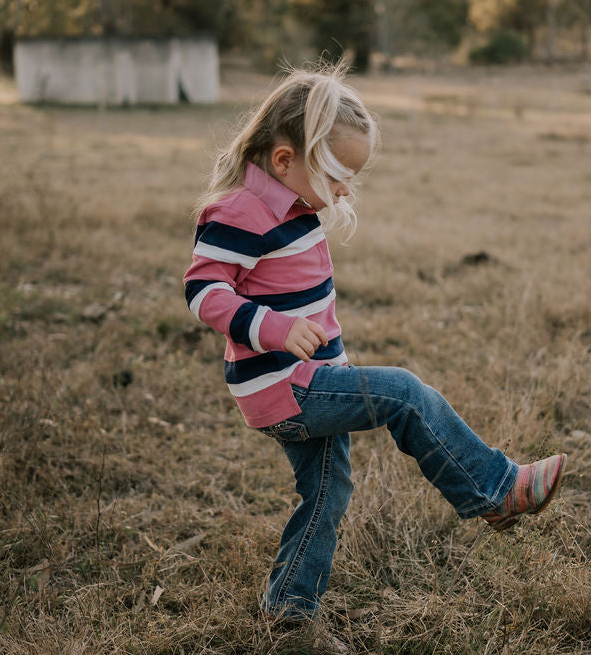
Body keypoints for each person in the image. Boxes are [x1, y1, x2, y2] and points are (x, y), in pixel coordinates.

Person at [183, 62, 567, 623]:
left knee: (327, 493)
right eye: (337, 172)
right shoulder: (240, 211)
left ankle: (289, 609)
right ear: (285, 159)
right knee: (406, 395)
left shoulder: (295, 204)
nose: (343, 189)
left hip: (307, 380)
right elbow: (202, 290)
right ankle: (496, 490)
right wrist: (274, 328)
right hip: (286, 388)